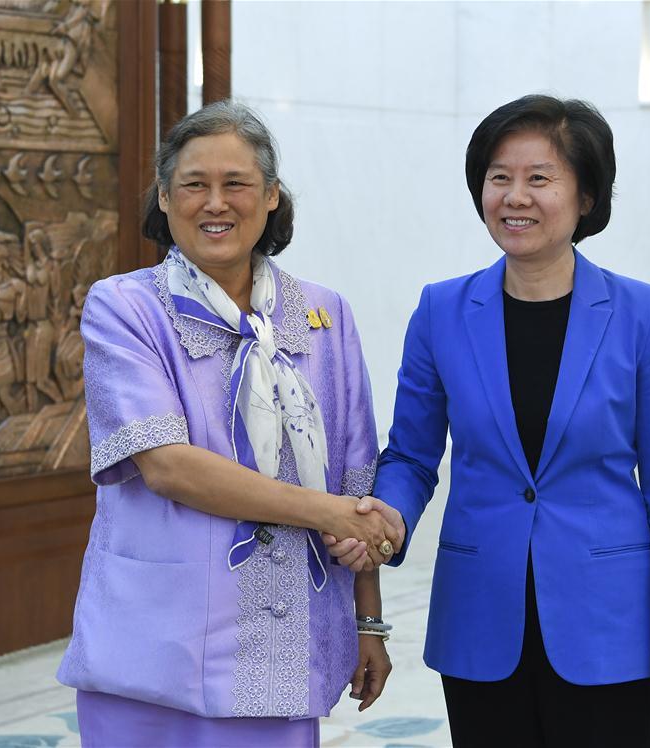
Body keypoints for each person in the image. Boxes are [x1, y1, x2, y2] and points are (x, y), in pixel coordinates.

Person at [325, 95, 650, 747]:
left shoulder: (643, 316)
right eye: (499, 177)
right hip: (479, 616)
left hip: (608, 624)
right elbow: (412, 456)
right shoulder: (441, 310)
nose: (514, 196)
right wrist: (384, 521)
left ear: (586, 196)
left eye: (539, 178)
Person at [57, 100, 399, 748]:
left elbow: (357, 480)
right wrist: (329, 513)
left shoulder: (324, 315)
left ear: (271, 196)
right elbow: (167, 465)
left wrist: (370, 622)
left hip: (283, 645)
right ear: (164, 197)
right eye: (194, 185)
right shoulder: (125, 307)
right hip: (152, 647)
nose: (216, 203)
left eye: (236, 184)